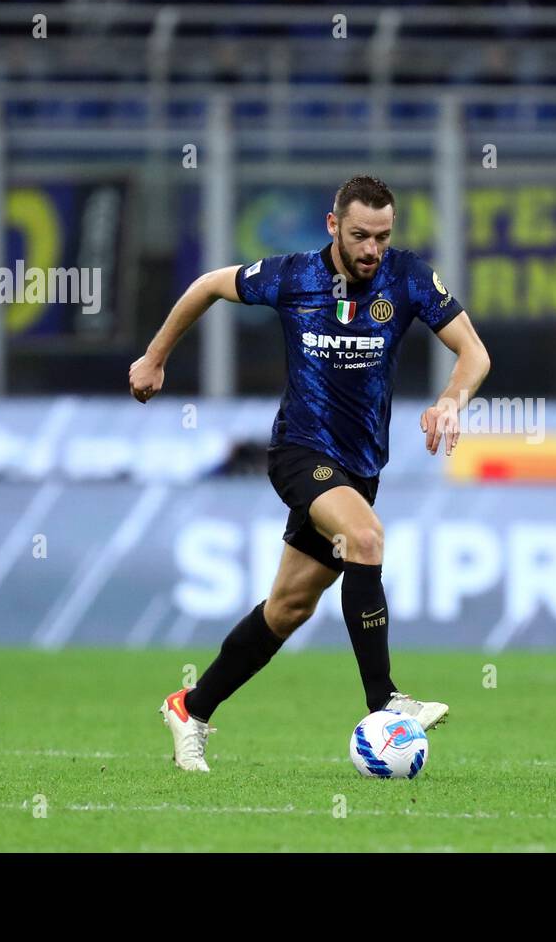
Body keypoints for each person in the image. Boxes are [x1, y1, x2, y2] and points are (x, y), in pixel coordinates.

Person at [129, 174, 491, 772]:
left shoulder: (408, 278)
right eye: (359, 236)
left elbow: (474, 352)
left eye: (382, 235)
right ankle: (386, 699)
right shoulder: (293, 276)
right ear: (332, 226)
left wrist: (451, 398)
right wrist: (155, 355)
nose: (372, 249)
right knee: (367, 539)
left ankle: (191, 706)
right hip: (299, 453)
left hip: (359, 467)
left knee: (288, 607)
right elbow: (208, 285)